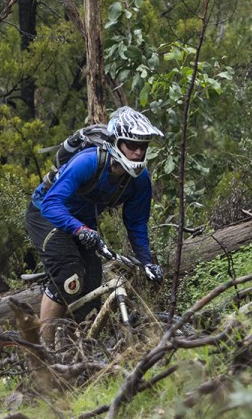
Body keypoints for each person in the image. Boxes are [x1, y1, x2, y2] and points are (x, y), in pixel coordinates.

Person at [24, 106, 165, 347]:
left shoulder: (140, 180)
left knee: (91, 290)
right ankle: (43, 352)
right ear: (117, 143)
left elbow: (137, 223)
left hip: (83, 224)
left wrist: (147, 262)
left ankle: (76, 352)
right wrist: (80, 230)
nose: (138, 152)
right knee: (69, 276)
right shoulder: (88, 161)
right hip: (46, 213)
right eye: (132, 145)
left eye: (143, 146)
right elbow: (52, 203)